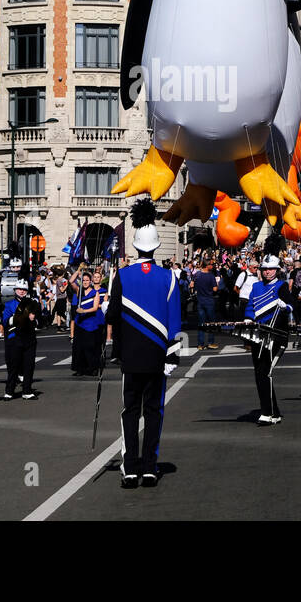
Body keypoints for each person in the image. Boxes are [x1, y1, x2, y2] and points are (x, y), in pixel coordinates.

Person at [105, 198, 182, 488]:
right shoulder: (170, 277)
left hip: (131, 358)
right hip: (157, 357)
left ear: (135, 245)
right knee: (153, 412)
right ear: (157, 246)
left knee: (130, 413)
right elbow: (175, 323)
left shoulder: (122, 276)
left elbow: (112, 315)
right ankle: (150, 468)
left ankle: (130, 469)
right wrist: (172, 358)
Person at [244, 253, 293, 424]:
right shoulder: (256, 287)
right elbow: (251, 305)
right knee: (260, 374)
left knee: (266, 372)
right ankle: (274, 412)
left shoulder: (282, 286)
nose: (267, 272)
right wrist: (248, 318)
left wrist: (285, 306)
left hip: (276, 335)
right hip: (259, 335)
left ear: (277, 270)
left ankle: (267, 412)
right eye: (265, 269)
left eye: (271, 269)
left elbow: (291, 305)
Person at [2, 283, 42, 400]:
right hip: (16, 337)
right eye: (19, 289)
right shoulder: (9, 304)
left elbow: (41, 320)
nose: (22, 291)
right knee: (14, 366)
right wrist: (21, 317)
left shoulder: (33, 303)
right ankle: (9, 391)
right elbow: (5, 321)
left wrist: (35, 319)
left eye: (24, 289)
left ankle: (27, 390)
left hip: (29, 337)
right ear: (15, 290)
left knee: (29, 365)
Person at [71, 272, 104, 375]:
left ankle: (92, 368)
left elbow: (95, 308)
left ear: (90, 281)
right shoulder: (78, 291)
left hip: (90, 324)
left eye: (87, 280)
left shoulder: (95, 293)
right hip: (80, 323)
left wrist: (84, 311)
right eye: (83, 280)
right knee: (78, 347)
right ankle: (80, 369)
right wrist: (78, 270)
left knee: (90, 347)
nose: (85, 282)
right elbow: (71, 281)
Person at [192, 259, 221, 350]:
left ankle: (200, 344)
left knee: (201, 323)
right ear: (207, 265)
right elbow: (215, 289)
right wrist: (217, 284)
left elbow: (191, 285)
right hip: (209, 300)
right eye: (211, 264)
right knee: (211, 323)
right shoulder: (211, 276)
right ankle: (210, 342)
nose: (213, 266)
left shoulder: (197, 274)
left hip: (200, 300)